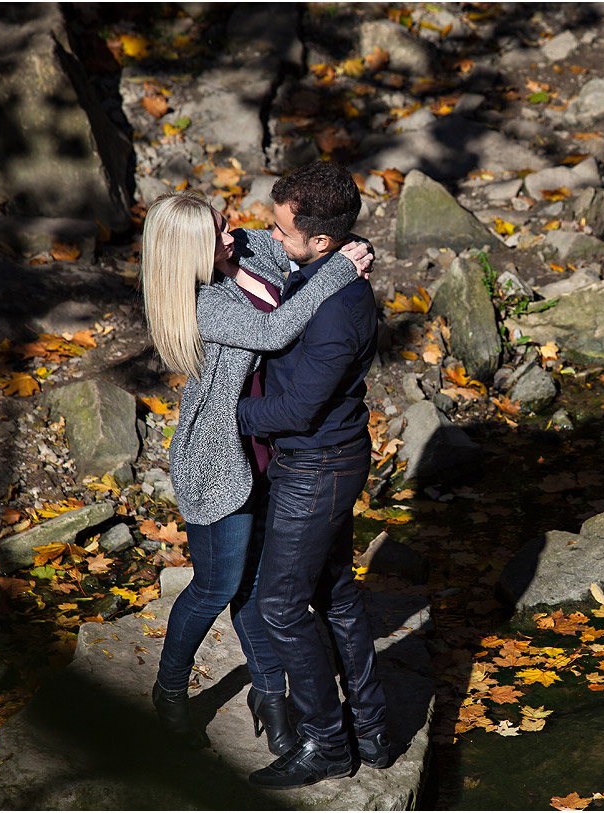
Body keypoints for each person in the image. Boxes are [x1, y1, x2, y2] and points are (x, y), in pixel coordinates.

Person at [139, 190, 373, 755]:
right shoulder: (203, 301)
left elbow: (298, 256)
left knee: (258, 582)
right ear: (188, 256)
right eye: (219, 234)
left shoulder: (243, 250)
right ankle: (169, 690)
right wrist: (339, 268)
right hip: (219, 454)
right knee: (218, 585)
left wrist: (342, 246)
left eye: (225, 224)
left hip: (271, 442)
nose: (234, 235)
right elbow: (274, 331)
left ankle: (269, 693)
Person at [234, 162, 388, 789]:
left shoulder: (336, 311)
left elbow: (296, 412)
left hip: (318, 466)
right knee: (336, 593)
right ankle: (374, 731)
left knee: (279, 604)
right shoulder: (326, 269)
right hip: (327, 460)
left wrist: (223, 409)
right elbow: (247, 246)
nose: (274, 239)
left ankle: (327, 744)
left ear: (322, 241)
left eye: (285, 233)